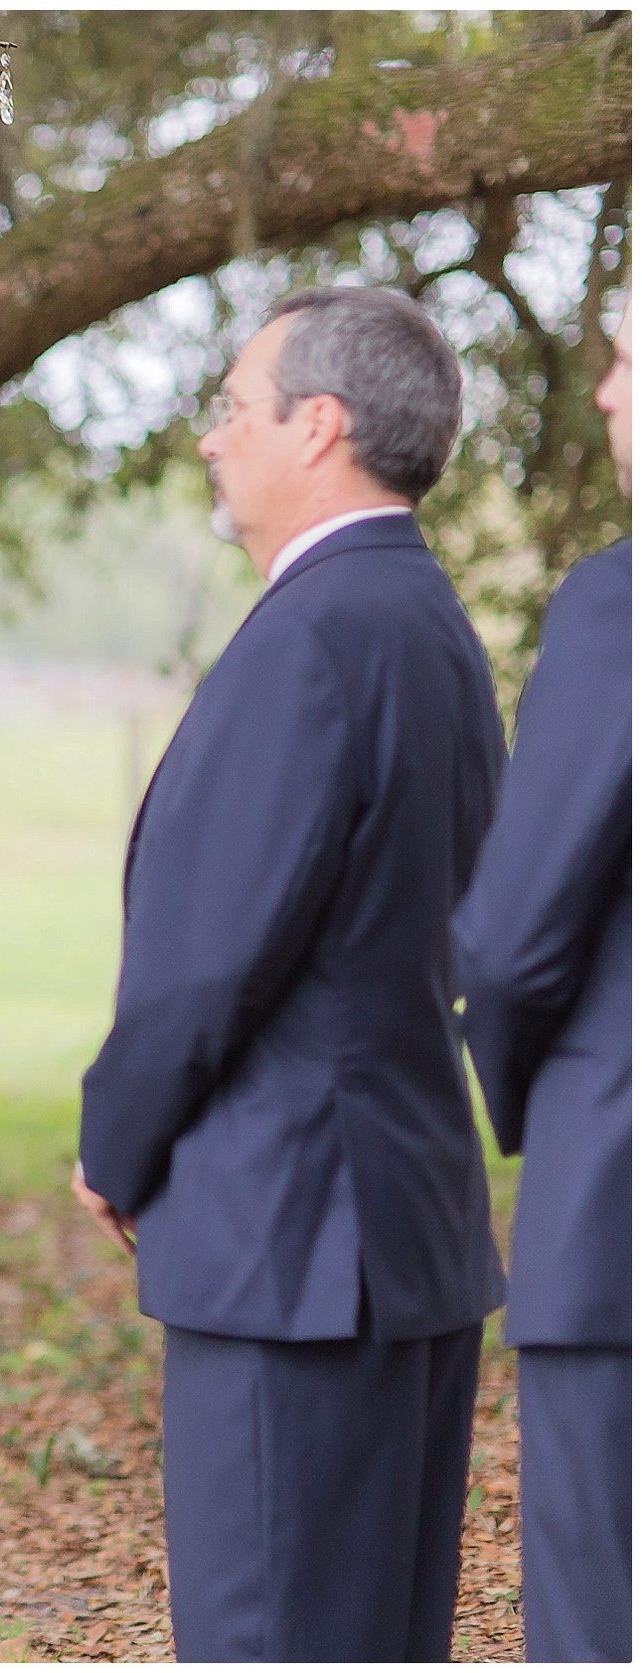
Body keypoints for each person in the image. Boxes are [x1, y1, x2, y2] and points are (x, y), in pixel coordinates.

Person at [72, 288, 505, 1661]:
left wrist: (116, 1146)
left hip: (293, 1236)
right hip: (403, 1221)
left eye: (233, 409)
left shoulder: (313, 636)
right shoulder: (429, 621)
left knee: (272, 1631)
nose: (212, 441)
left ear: (319, 427)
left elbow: (210, 962)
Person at [452, 311, 631, 1663]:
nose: (608, 390)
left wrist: (536, 1101)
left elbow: (515, 938)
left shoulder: (616, 601)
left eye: (630, 360)